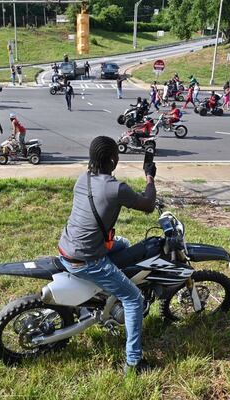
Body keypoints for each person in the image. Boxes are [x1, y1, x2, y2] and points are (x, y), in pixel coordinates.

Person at [58, 136, 156, 374]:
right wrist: (150, 176)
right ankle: (133, 362)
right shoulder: (116, 188)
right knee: (133, 298)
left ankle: (103, 295)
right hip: (88, 259)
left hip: (66, 248)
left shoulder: (83, 179)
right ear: (113, 159)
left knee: (123, 243)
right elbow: (148, 205)